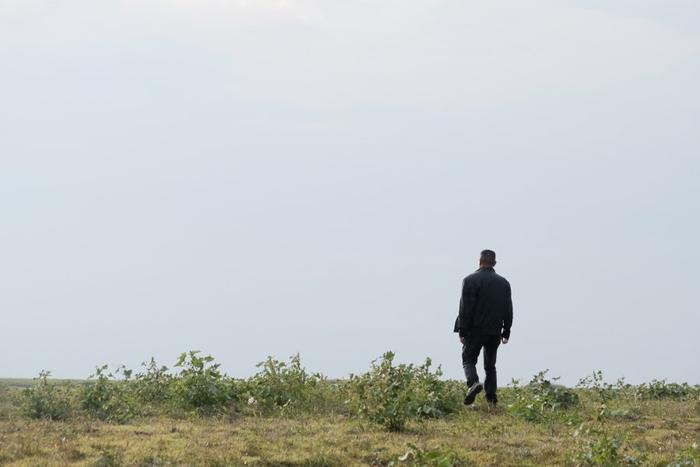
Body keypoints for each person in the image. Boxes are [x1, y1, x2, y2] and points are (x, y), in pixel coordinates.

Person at [453, 249, 513, 406]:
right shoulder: (504, 283)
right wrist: (506, 330)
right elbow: (508, 309)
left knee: (468, 359)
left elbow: (465, 308)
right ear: (494, 263)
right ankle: (491, 399)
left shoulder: (469, 280)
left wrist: (462, 330)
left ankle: (473, 383)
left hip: (475, 330)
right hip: (494, 331)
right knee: (490, 365)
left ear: (479, 261)